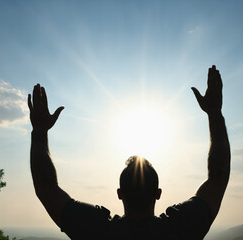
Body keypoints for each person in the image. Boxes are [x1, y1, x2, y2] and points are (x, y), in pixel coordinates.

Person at [28, 65, 230, 240]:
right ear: (158, 194)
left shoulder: (98, 232)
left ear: (119, 194)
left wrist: (39, 131)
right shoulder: (181, 229)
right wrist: (214, 113)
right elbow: (218, 179)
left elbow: (46, 188)